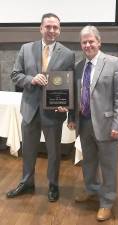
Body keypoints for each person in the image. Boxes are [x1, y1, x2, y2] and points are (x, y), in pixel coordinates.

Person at [6, 13, 75, 202]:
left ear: (59, 30)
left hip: (53, 113)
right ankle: (27, 182)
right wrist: (31, 79)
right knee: (28, 150)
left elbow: (71, 86)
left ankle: (53, 185)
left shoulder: (68, 54)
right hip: (29, 110)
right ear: (41, 28)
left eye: (55, 27)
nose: (52, 30)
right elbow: (15, 74)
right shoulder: (26, 49)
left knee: (54, 153)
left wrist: (69, 110)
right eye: (48, 27)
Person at [68, 26, 118, 221]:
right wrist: (71, 117)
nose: (87, 45)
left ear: (99, 42)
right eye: (84, 42)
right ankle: (92, 189)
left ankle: (107, 202)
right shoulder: (78, 67)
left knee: (108, 165)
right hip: (84, 124)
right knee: (89, 162)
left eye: (91, 41)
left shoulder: (114, 63)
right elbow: (75, 96)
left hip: (107, 125)